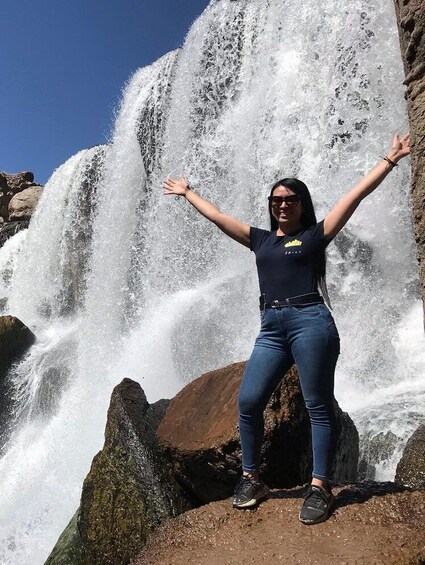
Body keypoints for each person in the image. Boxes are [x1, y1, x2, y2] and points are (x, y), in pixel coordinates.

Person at [162, 133, 411, 525]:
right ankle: (251, 478)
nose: (282, 205)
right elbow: (217, 216)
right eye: (276, 200)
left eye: (289, 200)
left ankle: (320, 486)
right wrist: (189, 192)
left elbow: (354, 197)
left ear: (301, 205)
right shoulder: (259, 240)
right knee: (248, 401)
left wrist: (390, 160)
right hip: (272, 327)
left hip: (310, 321)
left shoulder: (313, 237)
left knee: (317, 405)